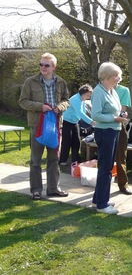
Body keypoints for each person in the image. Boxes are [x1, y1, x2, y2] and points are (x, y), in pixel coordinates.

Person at [19, 52, 70, 200]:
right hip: (37, 126)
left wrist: (60, 107)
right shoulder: (30, 81)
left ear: (54, 67)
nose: (43, 67)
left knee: (54, 159)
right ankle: (36, 190)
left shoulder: (61, 82)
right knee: (35, 160)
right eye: (41, 64)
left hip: (54, 126)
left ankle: (53, 188)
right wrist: (40, 106)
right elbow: (23, 101)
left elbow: (66, 100)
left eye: (46, 65)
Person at [91, 62, 127, 214]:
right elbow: (96, 115)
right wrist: (114, 118)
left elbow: (116, 110)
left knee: (107, 166)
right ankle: (102, 205)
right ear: (108, 76)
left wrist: (121, 116)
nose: (119, 79)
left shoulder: (112, 90)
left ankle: (97, 199)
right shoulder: (98, 92)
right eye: (116, 76)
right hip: (105, 133)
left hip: (113, 131)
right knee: (105, 168)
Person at [59, 84, 95, 166]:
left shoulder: (81, 99)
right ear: (83, 93)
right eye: (87, 95)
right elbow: (80, 113)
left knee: (76, 141)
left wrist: (93, 118)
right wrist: (91, 122)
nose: (88, 97)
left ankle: (75, 160)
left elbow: (85, 111)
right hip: (67, 121)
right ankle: (62, 160)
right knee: (66, 141)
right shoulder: (75, 99)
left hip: (75, 122)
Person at [114, 77, 132, 195]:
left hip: (118, 125)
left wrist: (122, 114)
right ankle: (100, 185)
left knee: (121, 156)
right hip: (104, 126)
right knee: (104, 157)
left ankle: (123, 184)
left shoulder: (124, 90)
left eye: (117, 76)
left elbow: (123, 109)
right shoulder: (101, 90)